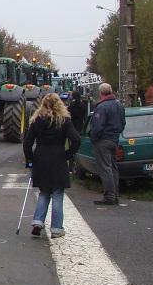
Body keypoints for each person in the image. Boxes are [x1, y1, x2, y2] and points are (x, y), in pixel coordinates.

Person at [23, 93, 81, 238]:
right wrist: (68, 154)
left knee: (44, 192)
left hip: (41, 158)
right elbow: (76, 139)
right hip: (58, 158)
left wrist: (30, 159)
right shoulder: (64, 120)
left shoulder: (36, 121)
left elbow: (27, 143)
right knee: (57, 193)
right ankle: (56, 228)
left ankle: (38, 222)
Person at [90, 83, 126, 205]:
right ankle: (115, 194)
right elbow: (123, 123)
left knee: (105, 168)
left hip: (103, 140)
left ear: (101, 93)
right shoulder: (119, 105)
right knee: (113, 167)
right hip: (114, 139)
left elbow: (97, 126)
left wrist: (93, 138)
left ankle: (109, 195)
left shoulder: (102, 107)